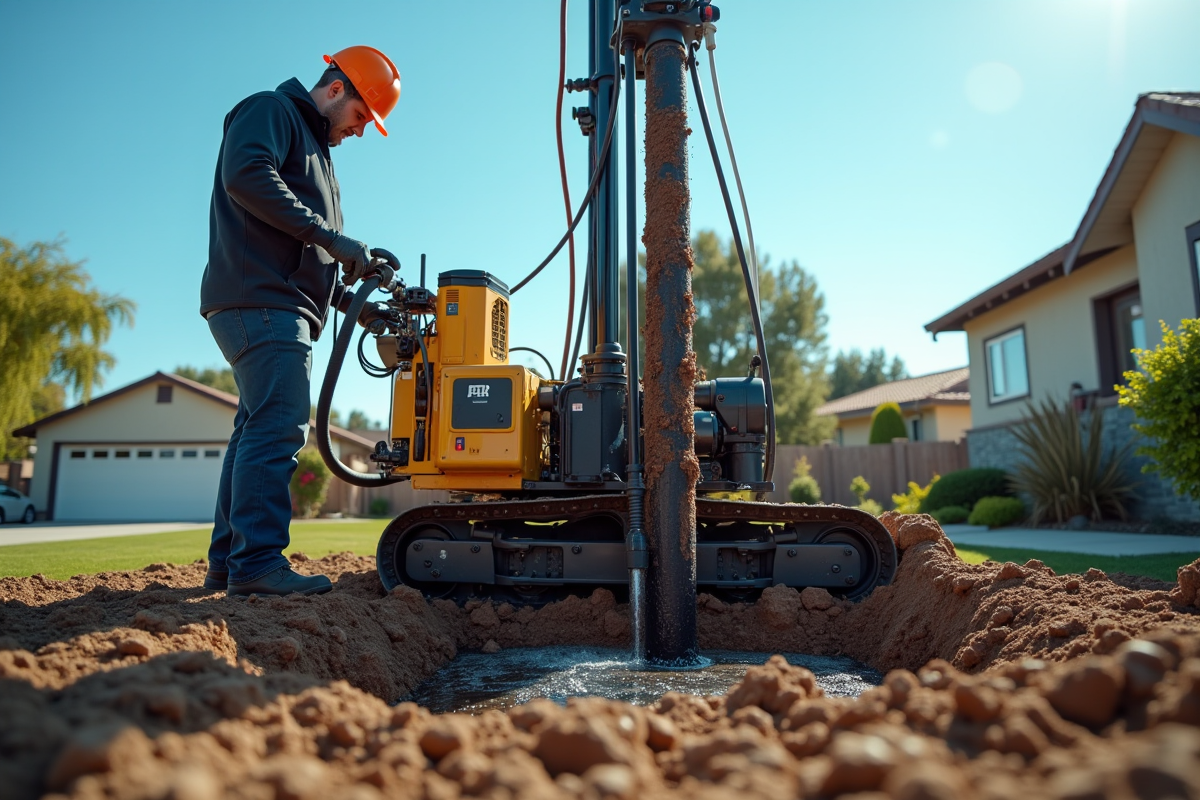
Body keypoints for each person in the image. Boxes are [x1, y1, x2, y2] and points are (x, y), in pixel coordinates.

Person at [199, 46, 401, 597]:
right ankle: (258, 565)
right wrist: (334, 239)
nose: (360, 132)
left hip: (272, 300)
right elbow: (246, 174)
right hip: (260, 301)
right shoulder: (271, 110)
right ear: (336, 89)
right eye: (362, 116)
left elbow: (303, 250)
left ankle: (230, 562)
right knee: (280, 425)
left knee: (254, 431)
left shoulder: (318, 153)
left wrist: (361, 306)